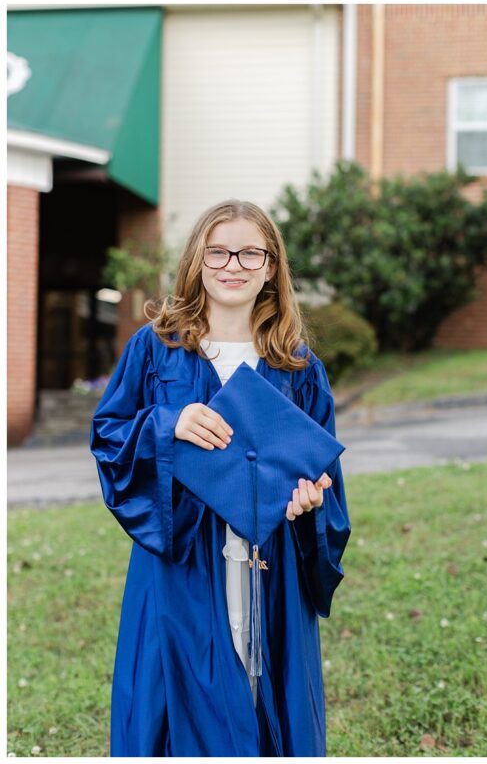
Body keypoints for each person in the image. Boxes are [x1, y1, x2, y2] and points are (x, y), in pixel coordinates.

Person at [90, 199, 351, 755]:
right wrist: (168, 423)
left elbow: (325, 481)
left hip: (271, 563)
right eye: (219, 251)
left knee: (267, 690)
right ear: (198, 261)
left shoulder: (298, 368)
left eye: (250, 252)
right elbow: (110, 437)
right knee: (170, 695)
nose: (233, 264)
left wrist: (310, 505)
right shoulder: (156, 350)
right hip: (180, 563)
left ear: (271, 267)